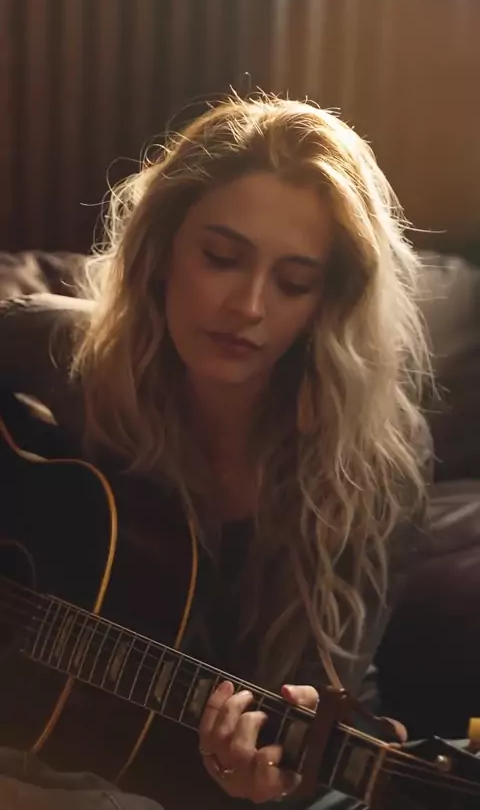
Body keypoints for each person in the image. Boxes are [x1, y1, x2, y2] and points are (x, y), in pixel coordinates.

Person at [0, 94, 431, 809]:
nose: (249, 307)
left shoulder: (374, 460)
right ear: (163, 251)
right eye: (222, 258)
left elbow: (306, 725)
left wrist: (267, 775)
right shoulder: (74, 354)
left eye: (294, 282)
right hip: (74, 751)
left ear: (327, 302)